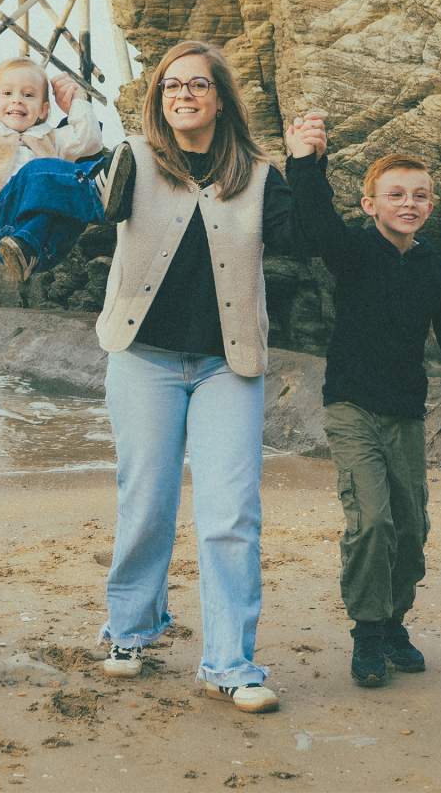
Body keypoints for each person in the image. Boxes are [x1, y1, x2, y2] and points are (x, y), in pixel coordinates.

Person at [91, 39, 325, 716]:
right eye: (171, 85)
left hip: (229, 365)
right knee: (147, 503)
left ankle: (230, 664)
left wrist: (307, 165)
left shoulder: (259, 174)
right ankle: (131, 630)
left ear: (220, 99)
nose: (183, 94)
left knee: (231, 515)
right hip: (144, 358)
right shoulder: (133, 158)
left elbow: (305, 242)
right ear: (158, 99)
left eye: (197, 84)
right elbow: (93, 208)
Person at [283, 140, 441, 688]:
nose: (408, 203)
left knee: (411, 527)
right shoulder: (353, 252)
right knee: (373, 521)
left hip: (405, 415)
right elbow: (316, 220)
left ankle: (394, 623)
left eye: (419, 196)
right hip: (351, 406)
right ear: (369, 204)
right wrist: (305, 162)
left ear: (430, 206)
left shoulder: (436, 272)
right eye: (395, 194)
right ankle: (367, 632)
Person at [0, 54, 127, 282]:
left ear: (43, 110)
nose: (17, 100)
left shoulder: (49, 137)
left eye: (28, 95)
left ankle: (27, 249)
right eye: (7, 93)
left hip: (47, 247)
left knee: (64, 199)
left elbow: (88, 141)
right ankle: (98, 192)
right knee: (38, 172)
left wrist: (76, 102)